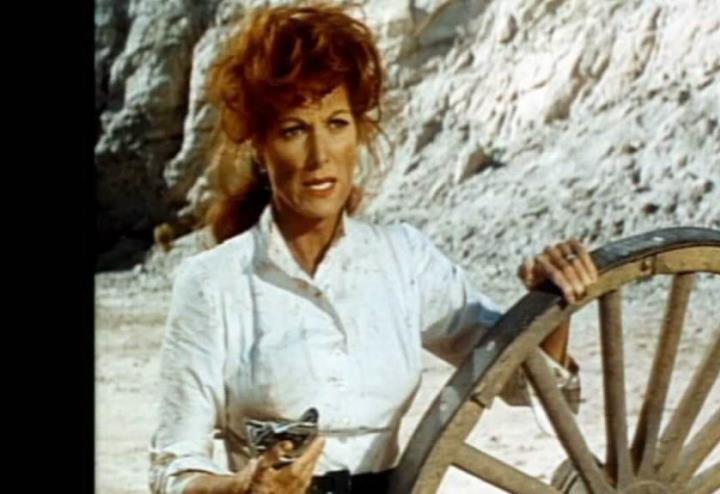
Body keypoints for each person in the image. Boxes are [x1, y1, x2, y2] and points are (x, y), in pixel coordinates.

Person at [148, 4, 599, 494]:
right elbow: (173, 467)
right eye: (294, 130)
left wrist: (552, 300)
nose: (320, 156)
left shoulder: (404, 261)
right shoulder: (214, 283)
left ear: (359, 132)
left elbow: (518, 380)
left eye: (337, 123)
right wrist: (242, 487)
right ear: (260, 147)